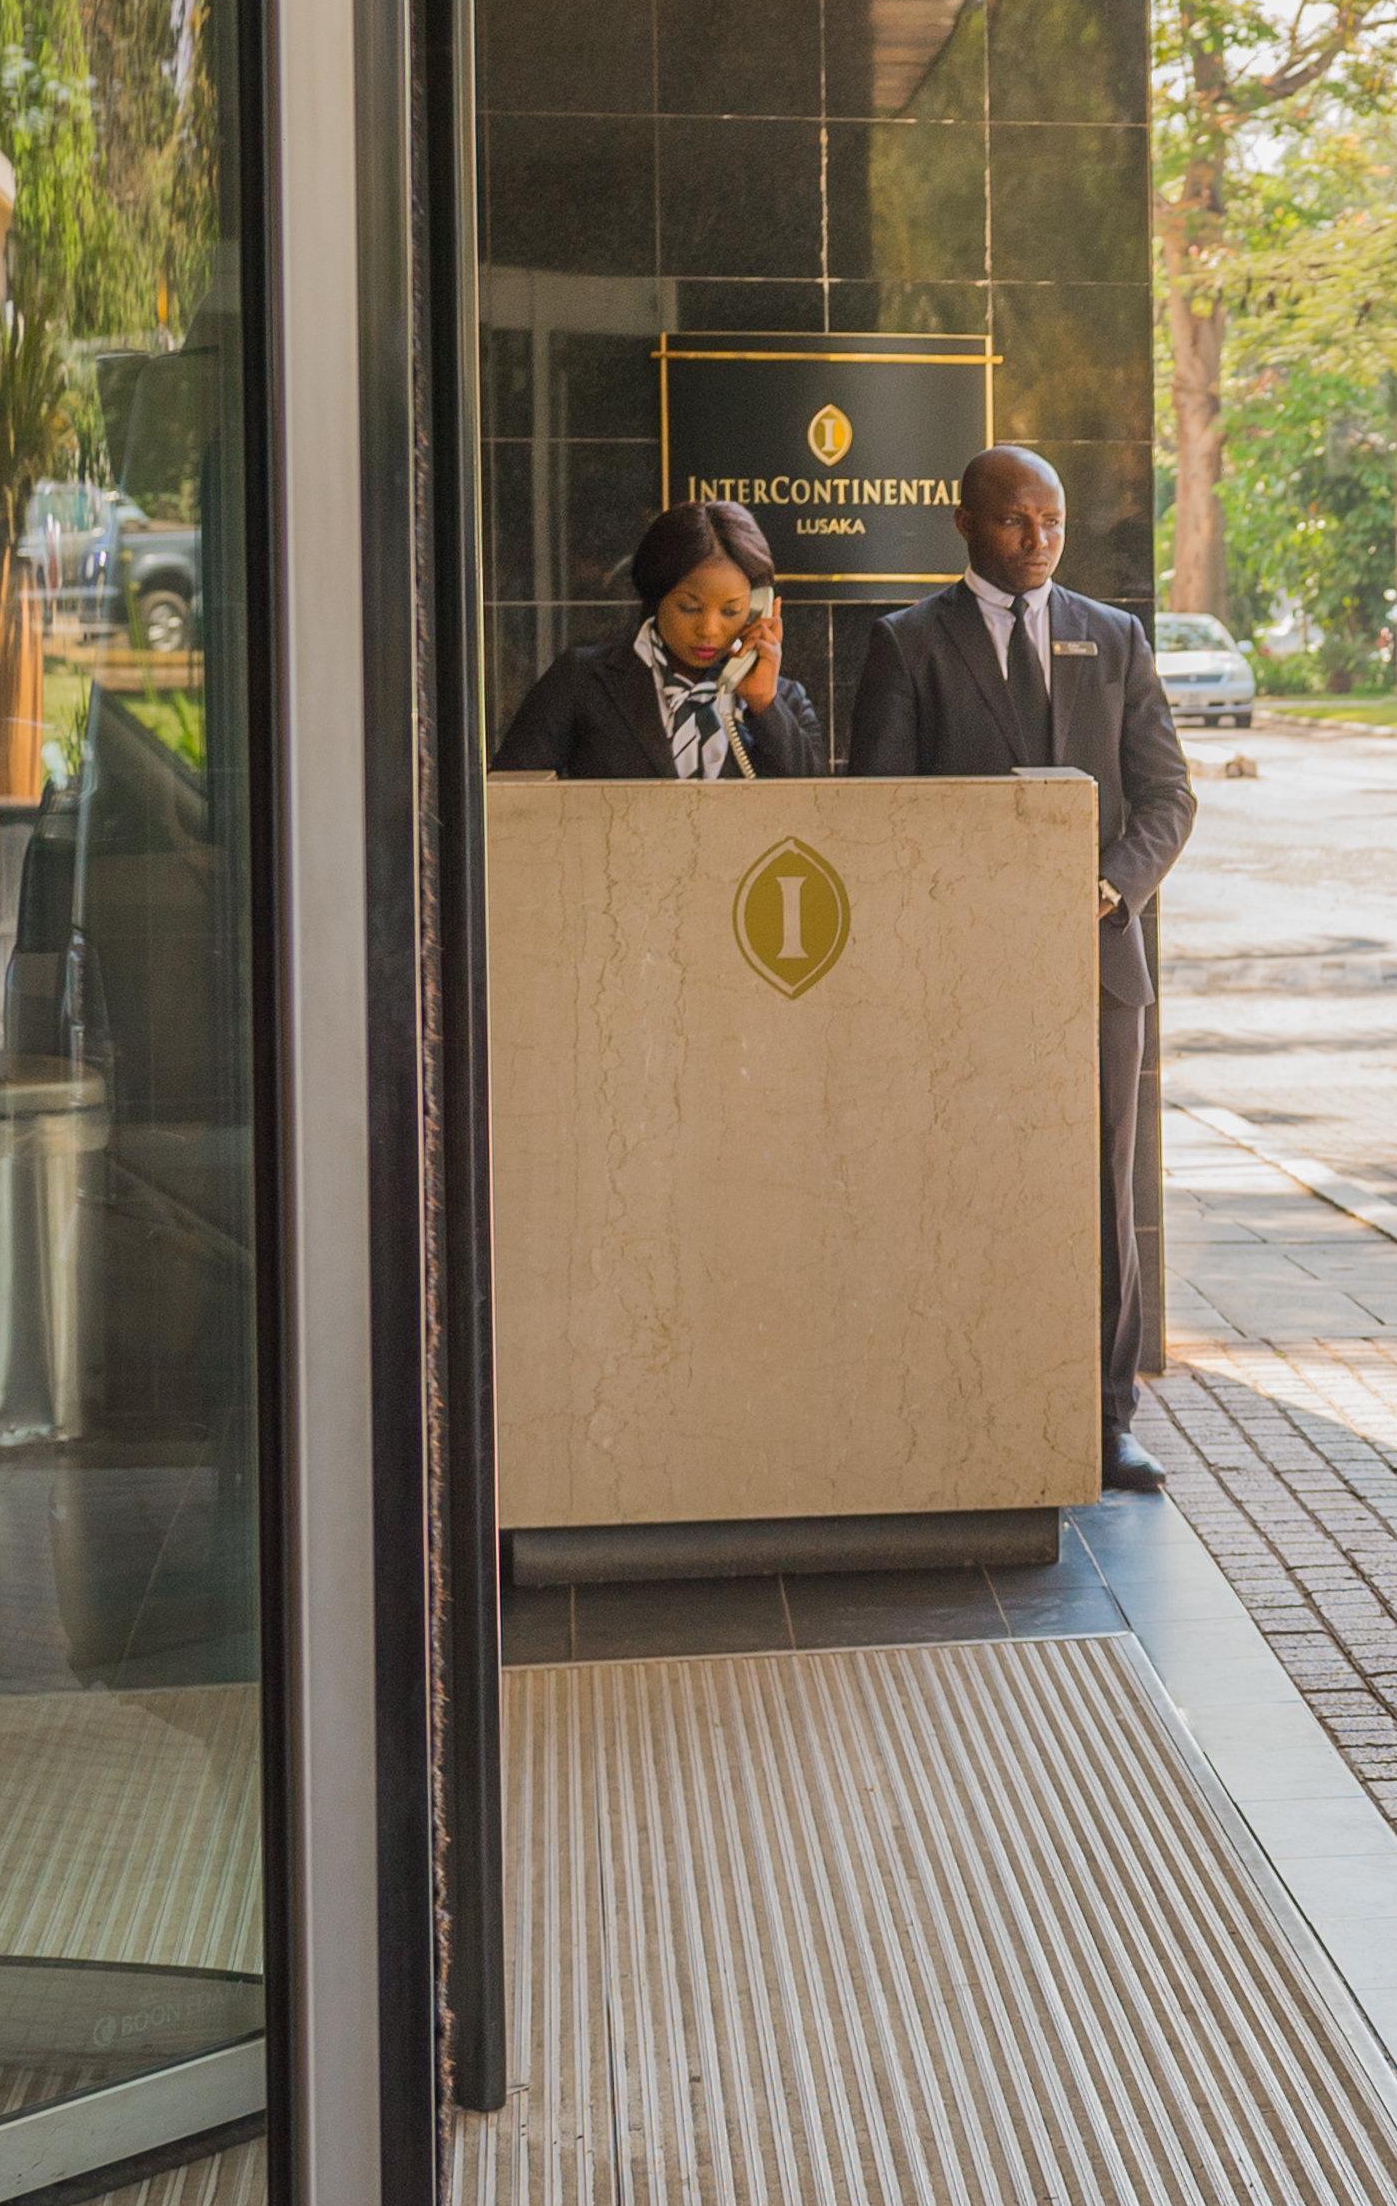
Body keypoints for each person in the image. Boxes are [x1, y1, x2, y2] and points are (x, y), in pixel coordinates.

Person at [848, 447, 1198, 1493]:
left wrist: (1112, 887)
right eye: (1014, 521)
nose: (1037, 539)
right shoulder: (907, 644)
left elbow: (1167, 797)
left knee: (1098, 1193)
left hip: (1096, 967)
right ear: (965, 524)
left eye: (1050, 521)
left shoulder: (1115, 634)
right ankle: (966, 1403)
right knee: (965, 1180)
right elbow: (882, 816)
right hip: (962, 976)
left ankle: (1104, 1419)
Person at [489, 498, 822, 778]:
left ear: (760, 607)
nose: (708, 629)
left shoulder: (783, 699)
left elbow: (825, 816)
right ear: (656, 596)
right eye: (689, 608)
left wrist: (765, 706)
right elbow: (512, 797)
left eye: (731, 611)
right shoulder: (582, 680)